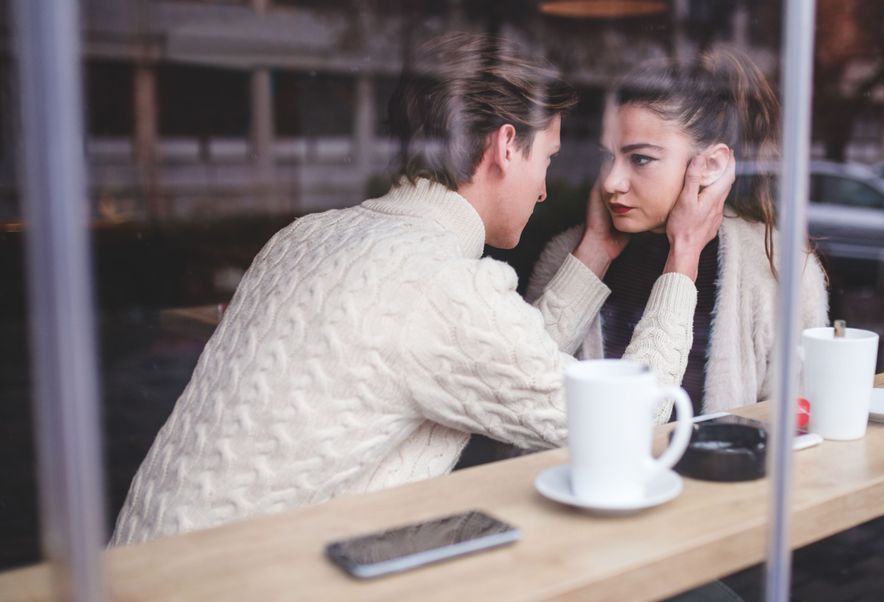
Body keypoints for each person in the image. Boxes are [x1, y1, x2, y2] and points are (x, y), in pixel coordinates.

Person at [111, 33, 732, 545]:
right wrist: (684, 254)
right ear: (506, 146)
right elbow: (630, 426)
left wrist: (596, 248)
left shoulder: (304, 236)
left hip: (139, 565)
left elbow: (496, 364)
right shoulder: (441, 286)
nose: (546, 189)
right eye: (548, 160)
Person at [528, 47, 829, 414]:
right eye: (608, 156)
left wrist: (684, 250)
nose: (611, 182)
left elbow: (794, 432)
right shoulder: (567, 257)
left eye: (640, 159)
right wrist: (594, 249)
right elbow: (521, 402)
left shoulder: (779, 269)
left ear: (712, 165)